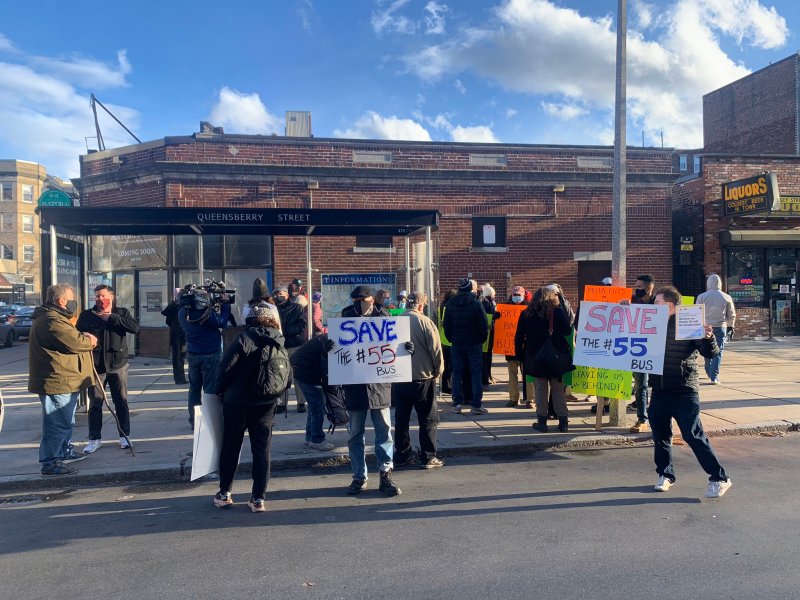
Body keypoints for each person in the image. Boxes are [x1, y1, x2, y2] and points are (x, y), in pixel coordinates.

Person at [649, 286, 732, 498]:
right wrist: (623, 310)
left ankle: (719, 478)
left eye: (657, 303)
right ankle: (665, 474)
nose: (653, 306)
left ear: (669, 305)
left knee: (693, 435)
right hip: (659, 390)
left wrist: (708, 337)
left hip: (684, 390)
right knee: (660, 436)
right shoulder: (652, 323)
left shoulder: (689, 322)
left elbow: (710, 353)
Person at [212, 307, 288, 512]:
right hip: (266, 403)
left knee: (231, 446)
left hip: (237, 401)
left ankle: (224, 493)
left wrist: (219, 389)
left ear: (249, 321)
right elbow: (287, 372)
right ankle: (258, 498)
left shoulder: (243, 339)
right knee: (262, 449)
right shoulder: (278, 340)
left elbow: (225, 367)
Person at [336, 285, 402, 496]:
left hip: (379, 386)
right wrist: (330, 349)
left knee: (384, 432)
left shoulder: (384, 317)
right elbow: (339, 349)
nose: (359, 304)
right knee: (355, 434)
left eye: (362, 300)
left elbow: (393, 346)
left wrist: (405, 350)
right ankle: (359, 476)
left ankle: (385, 473)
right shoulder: (346, 317)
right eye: (356, 301)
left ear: (372, 300)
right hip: (355, 386)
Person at [28, 283, 97, 476]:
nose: (74, 302)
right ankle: (51, 461)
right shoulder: (52, 320)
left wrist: (81, 336)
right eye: (71, 299)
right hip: (57, 382)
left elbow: (70, 338)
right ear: (61, 301)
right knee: (57, 423)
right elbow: (74, 343)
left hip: (64, 380)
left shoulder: (55, 318)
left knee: (65, 421)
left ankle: (63, 451)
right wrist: (89, 340)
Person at [77, 285, 140, 453]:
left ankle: (124, 436)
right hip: (96, 366)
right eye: (97, 296)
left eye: (103, 296)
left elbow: (134, 327)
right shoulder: (87, 315)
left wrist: (112, 318)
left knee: (121, 401)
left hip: (118, 364)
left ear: (111, 297)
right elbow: (75, 334)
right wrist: (85, 335)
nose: (100, 299)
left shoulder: (121, 313)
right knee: (95, 403)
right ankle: (94, 439)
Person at [393, 292, 445, 469]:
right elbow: (436, 350)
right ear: (421, 306)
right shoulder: (425, 322)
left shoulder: (395, 321)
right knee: (428, 419)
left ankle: (402, 454)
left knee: (401, 419)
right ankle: (428, 456)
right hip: (422, 377)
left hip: (400, 378)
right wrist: (438, 371)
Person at [515, 285, 574, 433]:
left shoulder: (526, 313)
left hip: (535, 356)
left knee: (540, 389)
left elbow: (519, 337)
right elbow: (567, 330)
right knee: (558, 388)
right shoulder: (556, 312)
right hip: (555, 356)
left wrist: (520, 356)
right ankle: (563, 421)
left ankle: (542, 421)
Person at [179, 284, 232, 427]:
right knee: (210, 389)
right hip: (210, 354)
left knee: (194, 388)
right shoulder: (205, 315)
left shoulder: (183, 313)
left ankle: (194, 420)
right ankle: (210, 421)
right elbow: (222, 322)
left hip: (193, 354)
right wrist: (225, 305)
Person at [443, 278, 489, 415]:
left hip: (457, 343)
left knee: (457, 372)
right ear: (470, 289)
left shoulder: (451, 303)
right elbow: (483, 324)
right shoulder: (476, 304)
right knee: (476, 373)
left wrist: (451, 338)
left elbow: (446, 324)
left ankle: (457, 403)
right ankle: (476, 404)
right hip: (474, 343)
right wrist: (481, 339)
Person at [290, 332, 335, 451]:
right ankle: (317, 439)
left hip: (302, 369)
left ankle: (310, 437)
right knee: (318, 408)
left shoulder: (329, 339)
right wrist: (330, 387)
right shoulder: (330, 344)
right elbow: (325, 369)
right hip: (306, 373)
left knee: (314, 407)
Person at [273, 286, 309, 413]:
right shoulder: (274, 309)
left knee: (297, 375)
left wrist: (286, 332)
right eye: (275, 294)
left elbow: (302, 325)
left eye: (280, 293)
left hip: (295, 345)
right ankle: (282, 403)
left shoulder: (297, 308)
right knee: (281, 375)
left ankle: (301, 403)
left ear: (287, 294)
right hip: (280, 346)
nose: (278, 296)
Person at [696, 274, 736, 385]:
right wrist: (731, 326)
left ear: (708, 283)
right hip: (720, 326)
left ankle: (708, 371)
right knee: (718, 351)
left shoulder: (702, 297)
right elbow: (731, 314)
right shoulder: (726, 297)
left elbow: (697, 312)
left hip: (706, 327)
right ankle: (714, 376)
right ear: (720, 283)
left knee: (706, 349)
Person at [629, 274, 656, 433]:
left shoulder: (659, 302)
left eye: (639, 287)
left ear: (649, 287)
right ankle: (642, 419)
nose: (636, 289)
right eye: (636, 286)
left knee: (657, 386)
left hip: (657, 350)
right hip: (638, 350)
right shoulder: (632, 300)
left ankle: (658, 417)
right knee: (640, 385)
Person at [502, 285, 532, 408]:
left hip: (525, 347)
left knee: (528, 374)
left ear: (524, 295)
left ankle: (530, 399)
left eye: (519, 295)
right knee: (512, 374)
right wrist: (497, 317)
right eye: (514, 295)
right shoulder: (505, 308)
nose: (516, 297)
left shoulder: (529, 308)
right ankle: (513, 398)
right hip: (509, 346)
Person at [161, 289, 188, 384]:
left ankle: (181, 378)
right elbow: (165, 314)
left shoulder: (183, 306)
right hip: (177, 336)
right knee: (177, 358)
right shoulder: (175, 306)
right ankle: (179, 378)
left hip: (182, 335)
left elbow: (167, 320)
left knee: (181, 357)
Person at [481, 284, 497, 386]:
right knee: (487, 357)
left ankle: (487, 376)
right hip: (488, 334)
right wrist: (495, 316)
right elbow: (490, 316)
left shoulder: (485, 302)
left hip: (487, 334)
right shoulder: (489, 303)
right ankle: (486, 377)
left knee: (486, 357)